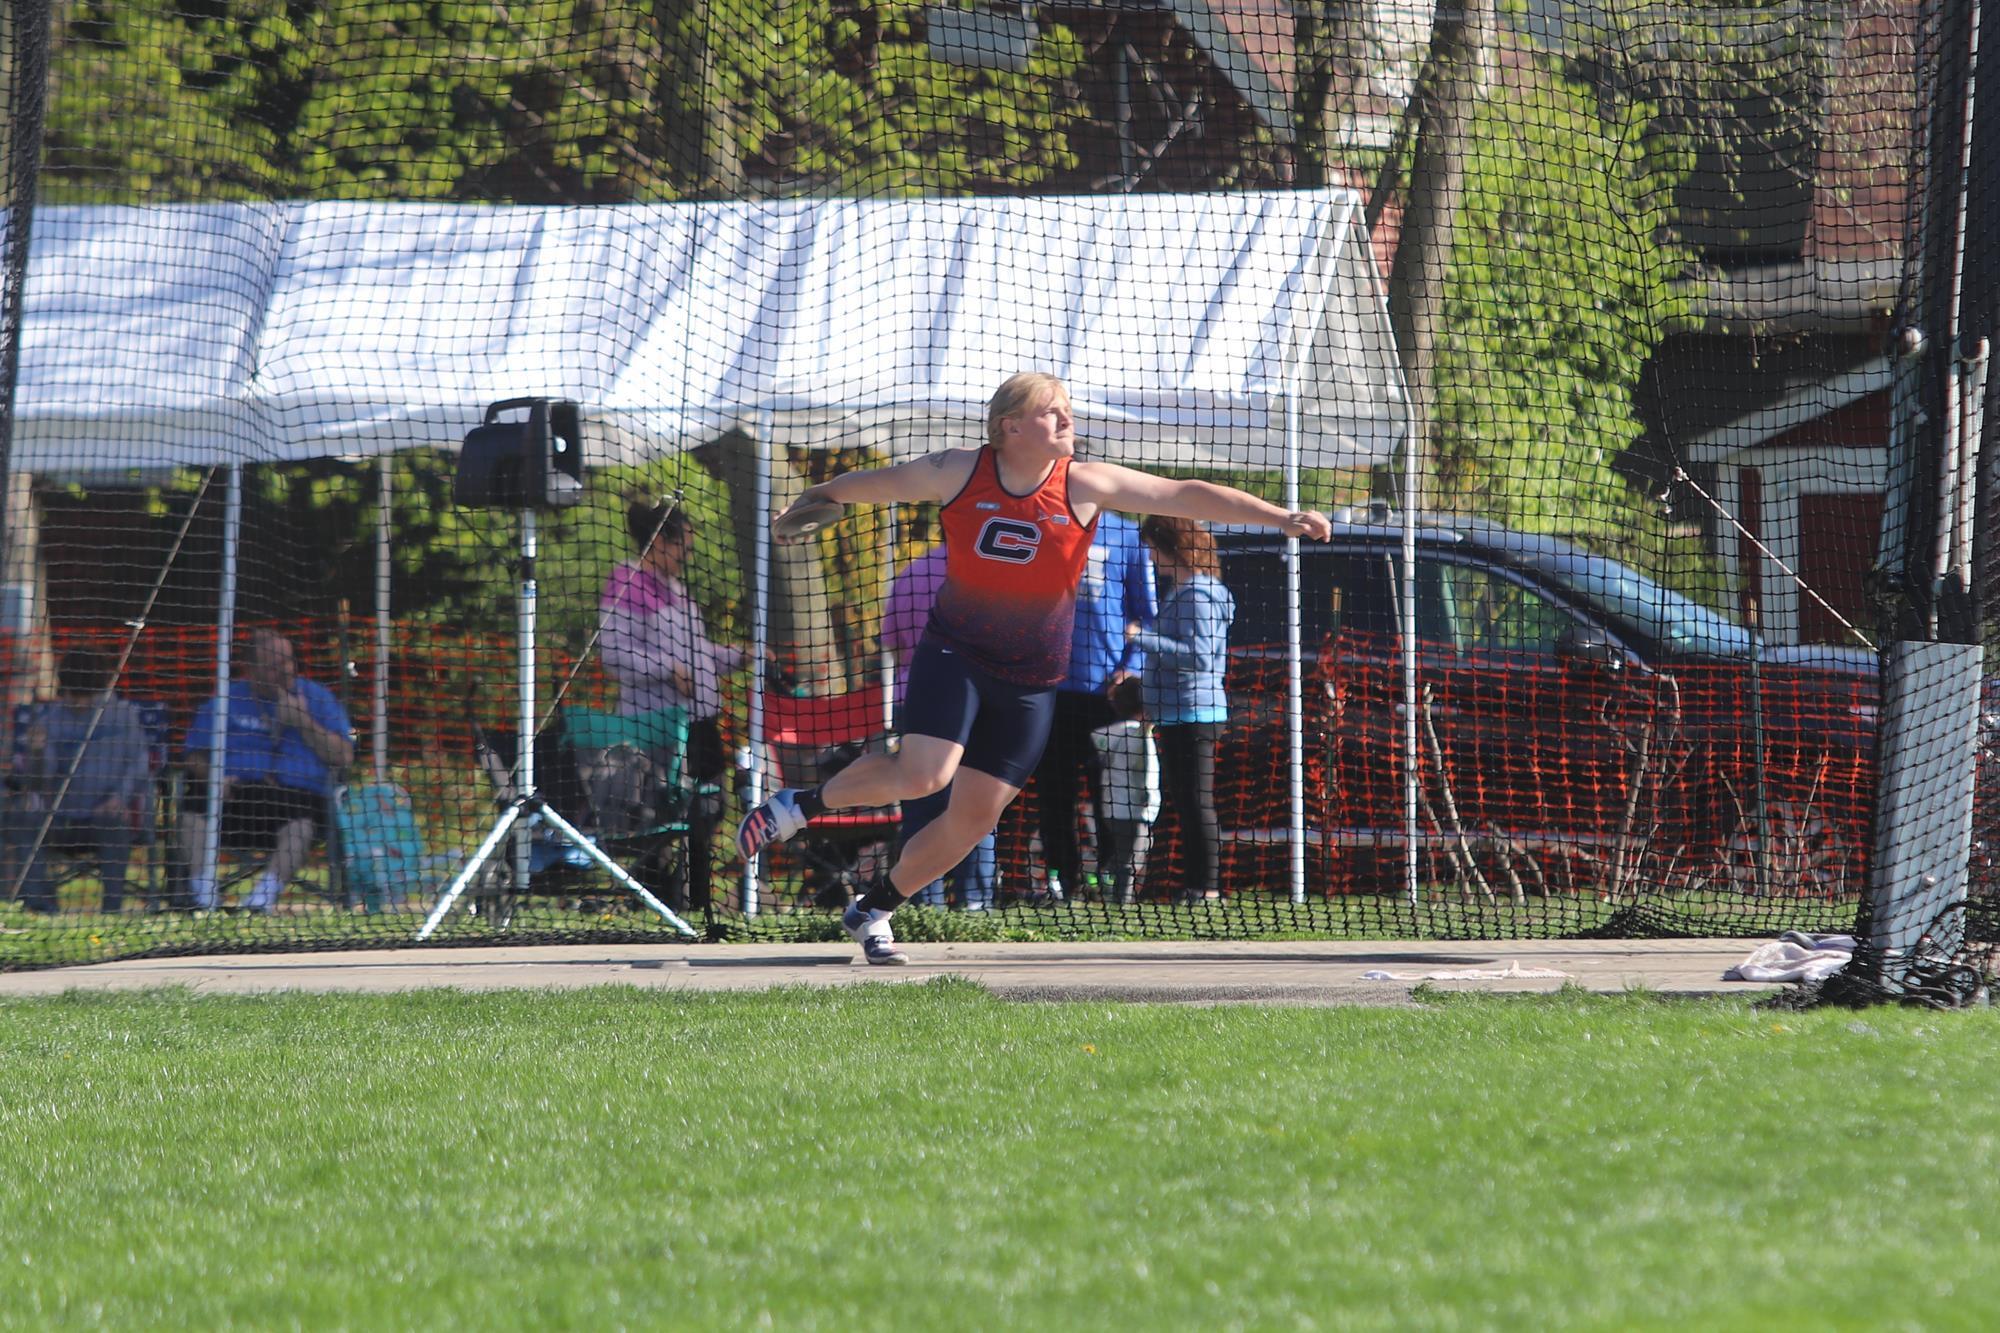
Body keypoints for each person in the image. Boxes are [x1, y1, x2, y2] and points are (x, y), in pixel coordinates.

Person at [736, 371, 1330, 963]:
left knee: (974, 819)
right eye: (1052, 412)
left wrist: (1281, 517)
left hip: (1031, 678)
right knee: (925, 776)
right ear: (1010, 426)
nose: (1068, 421)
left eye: (1067, 410)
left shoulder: (1086, 483)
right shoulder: (959, 470)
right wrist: (818, 497)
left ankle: (874, 909)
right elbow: (878, 482)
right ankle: (799, 806)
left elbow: (1183, 494)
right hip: (956, 654)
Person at [600, 498, 745, 911]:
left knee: (710, 807)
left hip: (698, 722)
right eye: (683, 547)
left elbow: (697, 655)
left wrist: (739, 656)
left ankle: (695, 898)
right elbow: (613, 652)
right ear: (660, 541)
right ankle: (655, 898)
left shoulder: (677, 591)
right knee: (660, 815)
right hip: (654, 726)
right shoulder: (627, 582)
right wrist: (667, 670)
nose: (687, 557)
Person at [178, 629, 354, 913]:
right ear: (251, 668)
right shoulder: (225, 701)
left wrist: (303, 722)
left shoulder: (317, 698)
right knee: (192, 810)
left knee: (301, 824)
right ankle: (204, 896)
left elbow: (344, 757)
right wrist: (215, 779)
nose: (285, 670)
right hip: (234, 795)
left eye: (289, 661)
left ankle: (262, 899)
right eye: (274, 665)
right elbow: (193, 755)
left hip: (294, 799)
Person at [1029, 509, 1154, 900]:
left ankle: (1111, 878)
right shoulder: (1038, 525)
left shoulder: (1126, 534)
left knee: (1112, 794)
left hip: (1107, 696)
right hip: (1048, 691)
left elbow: (1147, 616)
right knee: (1054, 791)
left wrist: (1130, 670)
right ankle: (1063, 880)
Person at [880, 543, 996, 911]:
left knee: (921, 805)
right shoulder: (992, 573)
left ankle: (922, 901)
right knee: (976, 804)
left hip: (914, 696)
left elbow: (892, 643)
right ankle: (974, 903)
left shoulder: (913, 571)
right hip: (973, 699)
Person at [1132, 516, 1235, 904]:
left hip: (1194, 713)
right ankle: (1196, 885)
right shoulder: (1185, 591)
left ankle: (1206, 888)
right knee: (1187, 803)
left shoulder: (1197, 595)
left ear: (1170, 547)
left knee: (1197, 802)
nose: (1150, 558)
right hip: (1178, 712)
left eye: (1153, 549)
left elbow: (1199, 657)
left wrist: (1142, 638)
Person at [7, 648, 153, 914]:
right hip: (58, 819)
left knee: (115, 826)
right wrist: (36, 752)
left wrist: (119, 798)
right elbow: (39, 780)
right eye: (71, 695)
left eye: (84, 696)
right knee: (23, 821)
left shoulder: (123, 716)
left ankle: (112, 910)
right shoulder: (49, 719)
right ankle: (39, 905)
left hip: (105, 817)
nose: (77, 703)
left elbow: (139, 765)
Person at [1088, 674, 1159, 907]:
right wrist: (1148, 795)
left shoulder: (1105, 734)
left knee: (1123, 853)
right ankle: (1122, 899)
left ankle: (1109, 885)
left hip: (1111, 807)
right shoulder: (1140, 734)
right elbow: (1146, 767)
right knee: (1132, 857)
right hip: (1137, 808)